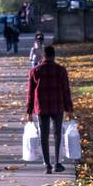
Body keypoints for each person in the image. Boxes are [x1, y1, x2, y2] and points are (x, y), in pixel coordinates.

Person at [24, 44, 73, 174]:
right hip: (58, 106)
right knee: (58, 135)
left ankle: (47, 165)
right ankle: (57, 163)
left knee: (43, 136)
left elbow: (30, 93)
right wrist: (69, 109)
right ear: (54, 55)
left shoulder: (35, 71)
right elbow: (66, 91)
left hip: (41, 107)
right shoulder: (61, 70)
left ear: (43, 55)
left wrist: (29, 111)